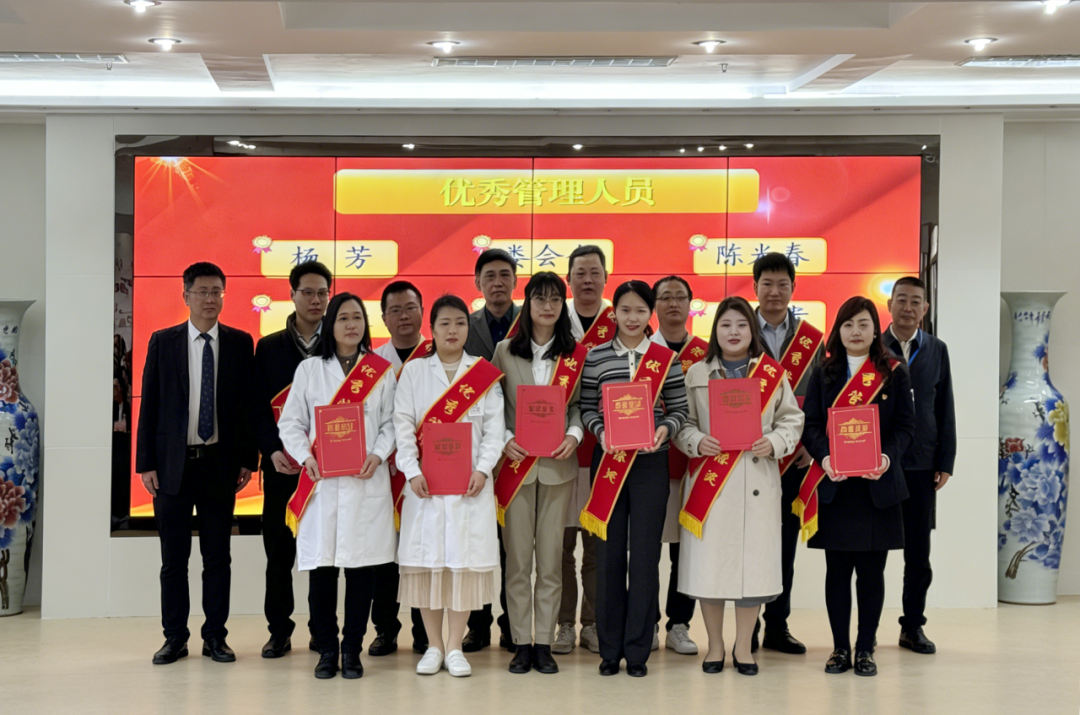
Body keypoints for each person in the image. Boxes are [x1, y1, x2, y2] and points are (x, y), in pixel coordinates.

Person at [673, 297, 804, 676]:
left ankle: (743, 647)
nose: (733, 332)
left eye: (742, 325)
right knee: (710, 569)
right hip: (710, 485)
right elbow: (682, 421)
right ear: (715, 330)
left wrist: (775, 442)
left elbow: (792, 419)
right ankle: (715, 646)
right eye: (726, 324)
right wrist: (696, 440)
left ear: (752, 331)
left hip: (756, 481)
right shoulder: (696, 374)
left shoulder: (772, 374)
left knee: (753, 570)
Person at [137, 262, 257, 665]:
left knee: (217, 558)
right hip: (173, 467)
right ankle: (174, 638)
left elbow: (245, 407)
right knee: (174, 560)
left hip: (219, 465)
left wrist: (247, 459)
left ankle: (215, 637)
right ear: (185, 295)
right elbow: (149, 404)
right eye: (202, 291)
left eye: (216, 291)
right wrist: (146, 463)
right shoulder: (164, 341)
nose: (210, 299)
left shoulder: (240, 343)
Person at [277, 293, 398, 679]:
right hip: (323, 486)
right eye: (343, 317)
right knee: (323, 572)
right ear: (331, 324)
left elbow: (392, 423)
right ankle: (327, 650)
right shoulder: (310, 370)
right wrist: (305, 456)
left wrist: (378, 453)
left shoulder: (380, 371)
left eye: (357, 317)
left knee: (362, 572)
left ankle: (352, 650)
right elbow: (291, 423)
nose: (351, 324)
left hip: (365, 481)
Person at [800, 296, 915, 677]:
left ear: (874, 330)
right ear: (839, 330)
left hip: (876, 487)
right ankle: (839, 649)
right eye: (848, 324)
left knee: (871, 573)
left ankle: (865, 648)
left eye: (863, 324)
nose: (855, 331)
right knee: (837, 572)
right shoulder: (824, 372)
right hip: (836, 487)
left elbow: (906, 427)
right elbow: (810, 425)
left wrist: (886, 458)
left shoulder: (894, 373)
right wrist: (825, 458)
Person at [394, 295, 506, 678]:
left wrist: (483, 470)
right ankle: (433, 646)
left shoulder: (483, 374)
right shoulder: (414, 372)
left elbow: (494, 431)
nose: (453, 330)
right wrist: (411, 471)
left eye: (460, 322)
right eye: (444, 323)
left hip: (470, 487)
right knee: (427, 565)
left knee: (463, 565)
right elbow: (402, 426)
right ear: (432, 329)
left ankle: (455, 646)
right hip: (425, 487)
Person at [579, 280, 688, 677]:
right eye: (625, 310)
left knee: (644, 557)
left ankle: (639, 649)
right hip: (609, 462)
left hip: (650, 465)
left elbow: (680, 410)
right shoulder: (595, 357)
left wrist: (665, 430)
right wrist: (601, 432)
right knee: (608, 556)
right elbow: (586, 407)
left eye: (640, 310)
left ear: (649, 314)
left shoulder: (665, 358)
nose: (632, 317)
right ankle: (610, 649)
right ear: (614, 313)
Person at [492, 272, 586, 675]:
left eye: (555, 300)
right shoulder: (503, 351)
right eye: (539, 299)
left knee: (550, 561)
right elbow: (492, 406)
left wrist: (574, 435)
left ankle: (544, 643)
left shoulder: (575, 354)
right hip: (515, 468)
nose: (547, 307)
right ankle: (520, 642)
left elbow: (580, 406)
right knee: (517, 562)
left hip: (557, 469)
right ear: (527, 304)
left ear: (563, 306)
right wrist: (504, 438)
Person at [254, 260, 332, 659]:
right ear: (292, 294)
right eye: (308, 292)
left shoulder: (340, 345)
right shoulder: (268, 347)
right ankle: (279, 631)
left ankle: (322, 630)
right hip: (283, 469)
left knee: (323, 556)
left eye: (322, 293)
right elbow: (257, 409)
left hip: (328, 472)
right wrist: (272, 451)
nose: (315, 300)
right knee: (279, 555)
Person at [751, 252, 825, 655]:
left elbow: (823, 398)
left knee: (784, 546)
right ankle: (747, 627)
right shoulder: (739, 330)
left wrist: (811, 448)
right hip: (747, 458)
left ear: (793, 288)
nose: (775, 292)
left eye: (783, 284)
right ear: (755, 287)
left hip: (794, 459)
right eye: (767, 283)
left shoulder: (812, 339)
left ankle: (777, 626)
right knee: (748, 543)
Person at [884, 277, 955, 655]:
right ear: (890, 305)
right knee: (873, 552)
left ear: (925, 308)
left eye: (915, 301)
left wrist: (946, 460)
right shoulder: (874, 347)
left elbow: (945, 407)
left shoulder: (937, 349)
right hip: (880, 464)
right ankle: (866, 631)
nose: (908, 307)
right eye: (901, 300)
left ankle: (912, 626)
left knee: (918, 555)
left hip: (922, 464)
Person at [554, 244, 614, 656]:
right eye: (580, 273)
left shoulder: (622, 322)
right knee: (559, 548)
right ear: (569, 280)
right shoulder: (551, 322)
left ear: (606, 278)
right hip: (557, 450)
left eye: (595, 272)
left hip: (605, 454)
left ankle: (592, 623)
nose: (588, 280)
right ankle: (563, 624)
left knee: (596, 548)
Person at [461, 248, 519, 651]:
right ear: (478, 283)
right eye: (489, 276)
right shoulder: (464, 325)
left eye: (504, 275)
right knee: (479, 541)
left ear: (515, 281)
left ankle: (513, 625)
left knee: (514, 544)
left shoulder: (532, 321)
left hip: (521, 447)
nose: (497, 283)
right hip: (476, 449)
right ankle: (478, 625)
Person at [369, 280, 430, 656]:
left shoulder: (438, 357)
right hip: (382, 474)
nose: (404, 316)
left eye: (410, 308)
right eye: (395, 310)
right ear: (384, 318)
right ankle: (385, 630)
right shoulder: (372, 363)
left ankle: (425, 632)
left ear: (423, 311)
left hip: (428, 474)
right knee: (383, 557)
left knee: (422, 553)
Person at [648, 275, 706, 656]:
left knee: (686, 552)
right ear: (654, 305)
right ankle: (648, 621)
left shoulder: (707, 353)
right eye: (665, 297)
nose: (672, 303)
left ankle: (679, 624)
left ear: (690, 304)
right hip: (650, 462)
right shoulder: (642, 351)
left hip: (696, 466)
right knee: (647, 549)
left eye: (679, 297)